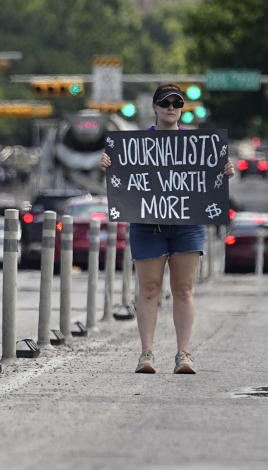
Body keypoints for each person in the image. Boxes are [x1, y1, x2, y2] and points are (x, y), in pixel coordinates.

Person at [101, 83, 235, 375]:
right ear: (155, 108)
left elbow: (211, 181)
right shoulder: (133, 146)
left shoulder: (201, 147)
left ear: (182, 109)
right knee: (149, 289)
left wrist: (225, 170)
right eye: (165, 103)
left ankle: (183, 354)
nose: (171, 108)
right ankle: (146, 353)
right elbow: (122, 186)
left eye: (176, 103)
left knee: (184, 289)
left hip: (188, 225)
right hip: (147, 225)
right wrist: (109, 165)